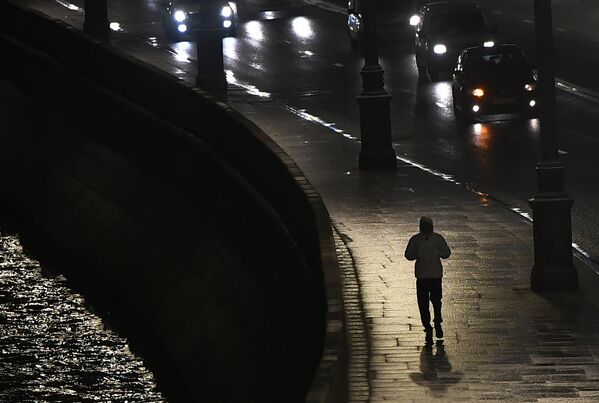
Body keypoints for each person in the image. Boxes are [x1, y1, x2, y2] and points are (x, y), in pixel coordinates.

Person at [405, 216, 451, 345]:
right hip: (423, 276)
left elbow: (446, 253)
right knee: (424, 303)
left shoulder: (436, 238)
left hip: (434, 275)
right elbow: (408, 255)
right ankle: (428, 326)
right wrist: (418, 254)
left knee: (435, 301)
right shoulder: (416, 240)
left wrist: (437, 253)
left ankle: (436, 321)